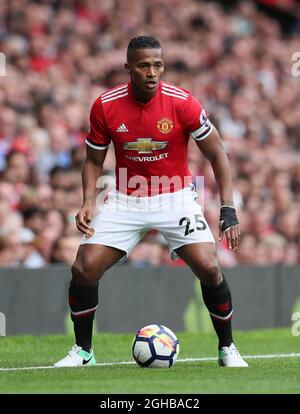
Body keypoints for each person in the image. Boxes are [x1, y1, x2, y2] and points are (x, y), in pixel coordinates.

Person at [54, 36, 248, 368]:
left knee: (209, 267)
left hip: (175, 196)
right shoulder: (105, 105)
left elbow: (218, 153)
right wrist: (88, 201)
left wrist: (228, 207)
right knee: (83, 269)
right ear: (128, 67)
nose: (152, 72)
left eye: (157, 65)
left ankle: (227, 348)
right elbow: (92, 161)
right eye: (144, 65)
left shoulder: (184, 102)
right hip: (125, 199)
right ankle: (83, 352)